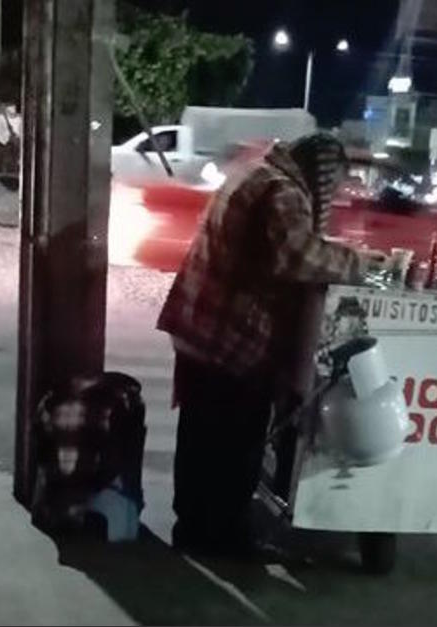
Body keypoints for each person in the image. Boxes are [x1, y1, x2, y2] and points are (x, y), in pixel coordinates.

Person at [157, 133, 384, 556]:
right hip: (227, 336)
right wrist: (358, 262)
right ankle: (226, 536)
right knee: (237, 439)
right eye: (333, 186)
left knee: (200, 435)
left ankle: (192, 526)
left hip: (198, 324)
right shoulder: (283, 193)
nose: (332, 197)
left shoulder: (257, 173)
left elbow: (287, 245)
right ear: (320, 174)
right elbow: (296, 257)